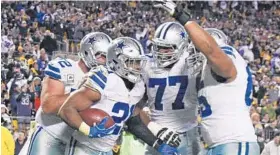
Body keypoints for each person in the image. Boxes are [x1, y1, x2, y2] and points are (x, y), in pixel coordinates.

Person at [153, 1, 260, 154]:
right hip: (218, 146)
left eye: (197, 49)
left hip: (234, 143)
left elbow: (212, 52)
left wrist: (182, 17)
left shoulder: (226, 55)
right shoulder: (207, 75)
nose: (194, 53)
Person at [58, 37, 179, 155]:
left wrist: (157, 144)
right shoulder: (105, 79)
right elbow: (66, 109)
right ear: (117, 61)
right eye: (132, 62)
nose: (137, 66)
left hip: (107, 150)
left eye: (138, 61)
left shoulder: (139, 86)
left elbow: (133, 122)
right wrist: (88, 130)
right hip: (84, 148)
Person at [25, 32, 112, 155]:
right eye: (102, 56)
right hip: (51, 135)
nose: (105, 61)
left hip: (81, 143)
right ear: (88, 52)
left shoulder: (108, 80)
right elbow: (48, 106)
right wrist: (84, 94)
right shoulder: (63, 67)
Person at [140, 21, 203, 155]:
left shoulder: (192, 62)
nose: (162, 52)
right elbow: (136, 104)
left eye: (167, 48)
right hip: (157, 134)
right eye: (159, 47)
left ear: (181, 46)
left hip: (187, 133)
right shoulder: (146, 64)